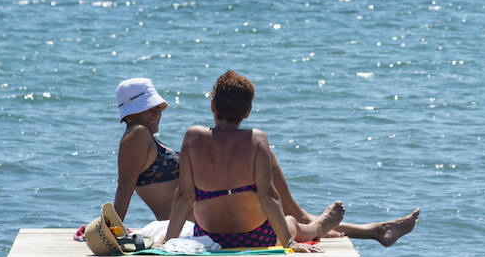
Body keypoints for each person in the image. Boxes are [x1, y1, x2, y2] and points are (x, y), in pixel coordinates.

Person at [112, 77, 417, 246]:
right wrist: (112, 227)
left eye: (158, 108)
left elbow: (181, 193)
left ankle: (372, 230)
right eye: (150, 109)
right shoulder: (137, 136)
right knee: (292, 214)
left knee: (291, 210)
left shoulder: (155, 136)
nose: (158, 114)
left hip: (207, 218)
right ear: (130, 113)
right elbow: (125, 188)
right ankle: (360, 229)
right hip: (204, 220)